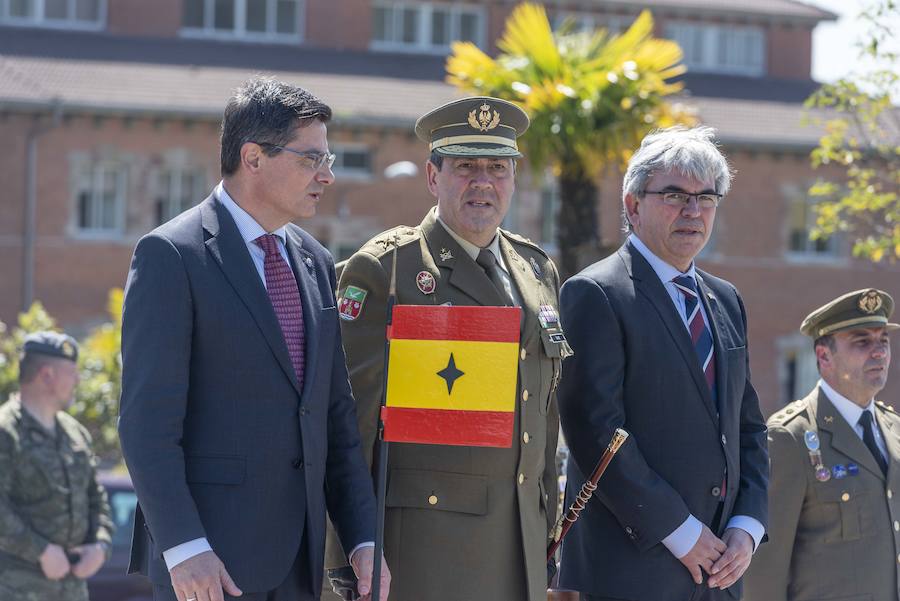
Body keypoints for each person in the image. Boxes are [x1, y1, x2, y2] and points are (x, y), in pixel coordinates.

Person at [118, 78, 387, 601]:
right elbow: (146, 427)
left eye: (328, 159)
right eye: (312, 159)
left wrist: (362, 538)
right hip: (207, 569)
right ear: (253, 157)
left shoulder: (316, 261)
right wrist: (183, 547)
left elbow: (333, 417)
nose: (327, 176)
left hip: (300, 567)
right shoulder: (171, 256)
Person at [325, 96, 565, 601]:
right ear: (433, 177)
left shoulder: (537, 271)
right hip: (422, 560)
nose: (483, 182)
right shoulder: (387, 271)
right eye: (465, 167)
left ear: (514, 179)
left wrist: (549, 533)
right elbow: (347, 429)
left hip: (521, 549)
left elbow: (542, 417)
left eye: (498, 167)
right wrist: (344, 560)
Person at [556, 126, 769, 601]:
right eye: (675, 195)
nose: (693, 210)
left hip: (720, 572)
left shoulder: (726, 299)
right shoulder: (596, 294)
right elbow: (596, 433)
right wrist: (681, 531)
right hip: (633, 572)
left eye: (706, 197)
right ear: (633, 205)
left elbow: (748, 427)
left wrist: (747, 525)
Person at [744, 288, 900, 601]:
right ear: (824, 356)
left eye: (883, 340)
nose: (880, 352)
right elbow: (764, 571)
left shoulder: (894, 429)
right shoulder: (791, 438)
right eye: (862, 342)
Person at [0, 331, 114, 601]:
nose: (77, 380)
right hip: (15, 588)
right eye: (72, 372)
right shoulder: (6, 432)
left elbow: (96, 499)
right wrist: (39, 550)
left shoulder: (75, 433)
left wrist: (101, 545)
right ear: (47, 375)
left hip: (72, 590)